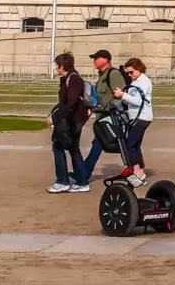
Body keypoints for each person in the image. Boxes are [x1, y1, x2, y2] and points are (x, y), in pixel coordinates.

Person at [76, 49, 128, 185]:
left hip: (111, 118)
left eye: (96, 58)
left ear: (105, 60)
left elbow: (122, 95)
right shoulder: (103, 75)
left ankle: (134, 170)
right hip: (103, 117)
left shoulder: (113, 74)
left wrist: (111, 109)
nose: (94, 61)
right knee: (99, 145)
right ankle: (84, 173)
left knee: (121, 146)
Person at [48, 53, 91, 193]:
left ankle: (63, 181)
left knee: (58, 146)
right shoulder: (68, 78)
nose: (56, 69)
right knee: (73, 149)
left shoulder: (73, 79)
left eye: (57, 66)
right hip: (72, 120)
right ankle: (82, 181)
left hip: (72, 121)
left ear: (62, 66)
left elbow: (70, 103)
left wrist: (58, 119)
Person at [111, 58, 154, 186]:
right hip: (138, 116)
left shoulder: (143, 82)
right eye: (128, 73)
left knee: (129, 144)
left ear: (139, 68)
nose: (129, 75)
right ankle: (140, 172)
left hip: (141, 117)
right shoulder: (137, 81)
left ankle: (137, 174)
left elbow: (138, 101)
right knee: (135, 145)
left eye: (131, 72)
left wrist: (122, 95)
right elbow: (132, 101)